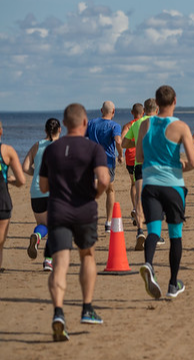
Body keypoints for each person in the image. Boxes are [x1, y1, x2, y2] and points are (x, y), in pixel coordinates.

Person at [40, 103, 110, 341]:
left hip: (58, 210)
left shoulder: (51, 150)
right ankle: (87, 308)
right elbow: (104, 178)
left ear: (64, 124)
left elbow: (43, 186)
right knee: (87, 256)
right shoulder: (93, 148)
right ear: (84, 123)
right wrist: (96, 194)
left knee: (60, 263)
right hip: (84, 211)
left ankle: (58, 313)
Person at [137, 85, 194, 300]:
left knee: (153, 231)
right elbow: (193, 162)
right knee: (175, 235)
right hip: (173, 186)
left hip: (150, 185)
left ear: (156, 101)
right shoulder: (180, 126)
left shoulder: (145, 124)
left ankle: (149, 264)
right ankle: (173, 284)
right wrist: (180, 165)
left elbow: (140, 156)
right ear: (175, 101)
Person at [23, 118, 61, 271]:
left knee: (42, 225)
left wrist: (36, 173)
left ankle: (37, 237)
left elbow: (25, 167)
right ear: (59, 130)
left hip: (36, 192)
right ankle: (48, 261)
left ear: (45, 131)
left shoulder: (36, 146)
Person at [122, 99, 160, 250]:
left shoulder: (137, 123)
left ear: (144, 110)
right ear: (157, 109)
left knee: (139, 199)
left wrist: (137, 143)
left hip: (139, 164)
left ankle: (140, 231)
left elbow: (124, 143)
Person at [85, 101, 123, 232]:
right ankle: (108, 222)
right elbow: (118, 141)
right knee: (109, 190)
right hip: (108, 162)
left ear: (101, 110)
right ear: (113, 111)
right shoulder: (114, 126)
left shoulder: (90, 123)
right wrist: (120, 154)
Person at [0, 120, 26, 272]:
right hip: (2, 200)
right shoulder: (7, 151)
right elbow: (22, 180)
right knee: (0, 241)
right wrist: (11, 181)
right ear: (1, 132)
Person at [121, 103, 144, 224]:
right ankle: (141, 209)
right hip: (143, 157)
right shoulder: (145, 124)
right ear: (143, 112)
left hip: (130, 158)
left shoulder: (128, 125)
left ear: (132, 112)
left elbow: (122, 140)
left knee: (133, 184)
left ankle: (136, 207)